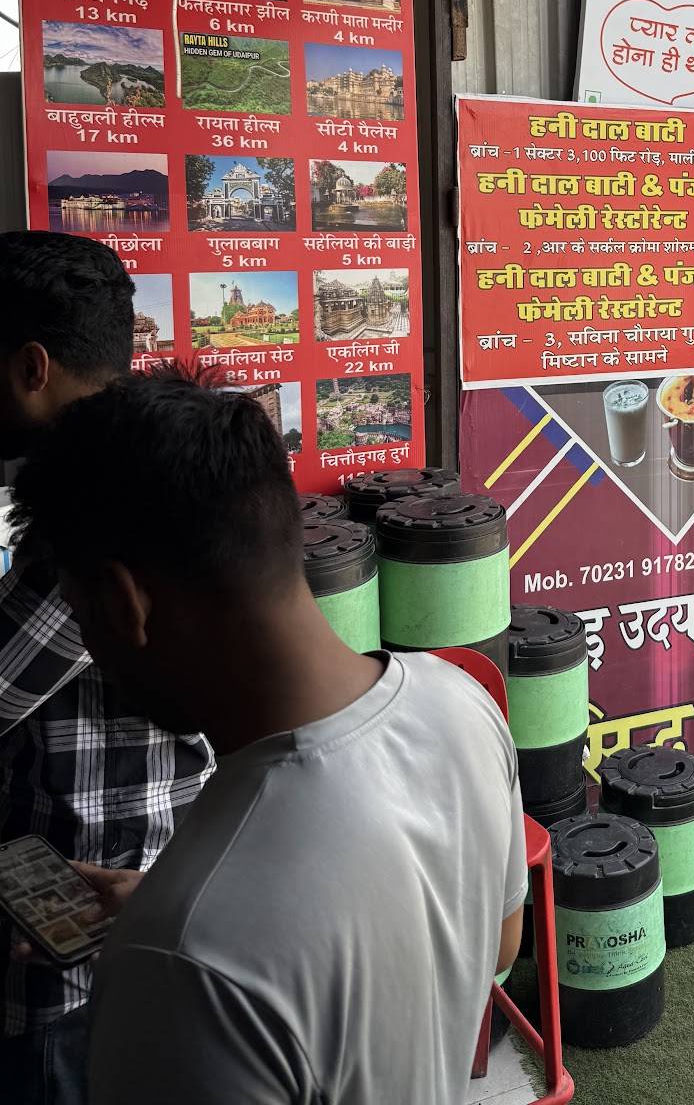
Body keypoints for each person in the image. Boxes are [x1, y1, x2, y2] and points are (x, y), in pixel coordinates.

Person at [11, 368, 526, 1105]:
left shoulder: (176, 959)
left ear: (126, 602)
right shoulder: (465, 707)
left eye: (81, 616)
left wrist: (199, 924)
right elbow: (494, 946)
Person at [0, 233, 213, 1105]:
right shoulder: (151, 458)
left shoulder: (99, 504)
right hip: (145, 894)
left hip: (87, 931)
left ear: (31, 367)